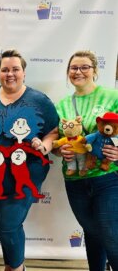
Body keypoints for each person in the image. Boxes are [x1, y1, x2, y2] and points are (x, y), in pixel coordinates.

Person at [0, 49, 59, 271]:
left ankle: (17, 268)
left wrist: (44, 146)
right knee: (6, 225)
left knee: (8, 225)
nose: (10, 74)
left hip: (24, 174)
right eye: (5, 70)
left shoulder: (39, 100)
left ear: (24, 73)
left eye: (15, 69)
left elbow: (53, 132)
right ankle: (12, 266)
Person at [55, 50, 118, 271]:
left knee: (110, 233)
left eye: (84, 67)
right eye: (74, 68)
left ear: (95, 71)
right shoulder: (62, 105)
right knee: (91, 231)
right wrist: (60, 150)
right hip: (75, 180)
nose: (78, 72)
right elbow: (56, 142)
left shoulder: (113, 97)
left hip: (107, 177)